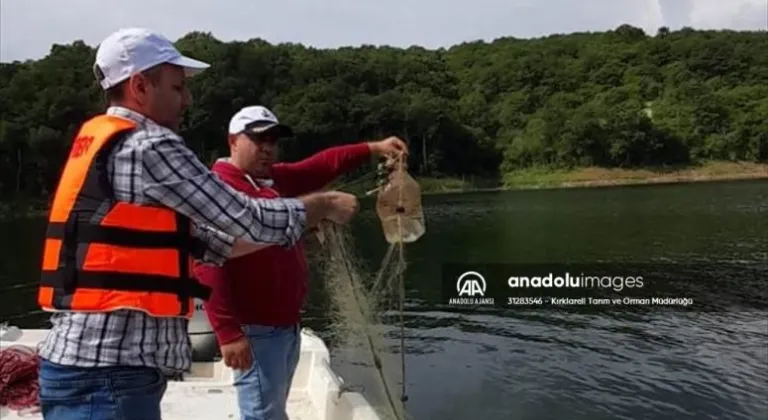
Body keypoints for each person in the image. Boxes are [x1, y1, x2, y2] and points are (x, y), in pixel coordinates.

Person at [35, 27, 359, 420]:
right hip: (109, 375)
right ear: (139, 85)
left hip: (83, 365)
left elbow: (210, 242)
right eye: (177, 87)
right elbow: (247, 218)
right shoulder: (149, 144)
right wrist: (322, 204)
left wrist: (301, 222)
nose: (187, 99)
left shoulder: (99, 143)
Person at [193, 105, 407, 420]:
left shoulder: (269, 180)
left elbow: (320, 166)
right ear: (233, 141)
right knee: (261, 414)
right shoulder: (221, 189)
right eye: (258, 139)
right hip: (255, 330)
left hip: (285, 327)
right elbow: (206, 266)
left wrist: (374, 148)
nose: (268, 148)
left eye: (274, 140)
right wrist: (227, 333)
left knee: (271, 408)